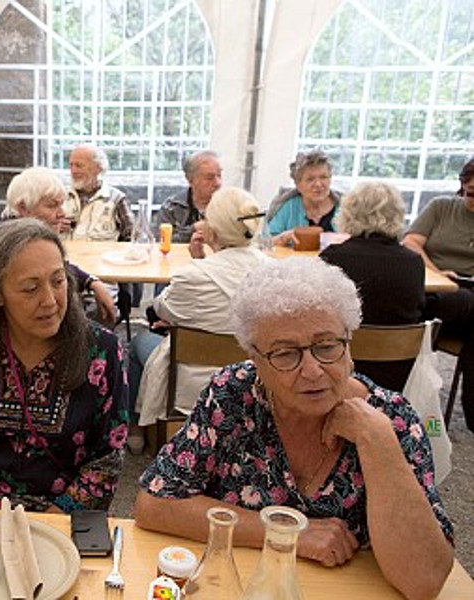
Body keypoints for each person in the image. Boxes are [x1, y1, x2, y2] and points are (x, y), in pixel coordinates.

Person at [133, 257, 454, 599]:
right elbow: (154, 504)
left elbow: (425, 580)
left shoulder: (392, 419)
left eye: (327, 346)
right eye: (286, 354)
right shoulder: (234, 395)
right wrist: (289, 534)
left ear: (349, 345)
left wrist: (376, 439)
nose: (313, 370)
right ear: (255, 360)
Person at [0, 218, 129, 513]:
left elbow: (105, 463)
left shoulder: (102, 352)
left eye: (58, 281)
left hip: (61, 516)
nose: (50, 301)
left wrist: (47, 529)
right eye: (30, 289)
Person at [128, 187, 268, 451]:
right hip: (255, 380)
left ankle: (138, 429)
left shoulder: (193, 276)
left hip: (192, 387)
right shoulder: (275, 273)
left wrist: (199, 263)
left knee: (138, 343)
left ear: (211, 231)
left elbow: (161, 308)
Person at [0, 166, 116, 325]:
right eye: (52, 206)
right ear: (23, 208)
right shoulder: (15, 251)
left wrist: (91, 281)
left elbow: (62, 269)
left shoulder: (17, 241)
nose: (62, 214)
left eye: (61, 205)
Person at [320, 181, 425, 391]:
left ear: (348, 213)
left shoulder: (332, 257)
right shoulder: (413, 262)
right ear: (397, 215)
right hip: (397, 372)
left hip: (339, 367)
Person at [403, 157, 474, 430]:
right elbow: (410, 243)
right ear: (462, 187)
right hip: (435, 291)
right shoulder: (441, 208)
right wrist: (438, 272)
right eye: (471, 193)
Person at [267, 150, 341, 246]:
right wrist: (284, 237)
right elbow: (266, 242)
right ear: (298, 184)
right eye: (310, 179)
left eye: (323, 177)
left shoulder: (345, 207)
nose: (318, 184)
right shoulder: (287, 206)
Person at [64, 144, 133, 241]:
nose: (73, 170)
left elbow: (132, 238)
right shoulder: (60, 196)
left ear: (98, 168)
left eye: (79, 165)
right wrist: (54, 227)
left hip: (101, 255)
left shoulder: (116, 199)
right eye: (71, 165)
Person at [153, 150, 222, 243]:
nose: (217, 183)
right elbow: (161, 242)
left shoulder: (228, 207)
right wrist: (193, 229)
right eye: (209, 178)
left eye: (219, 175)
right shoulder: (172, 207)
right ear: (190, 180)